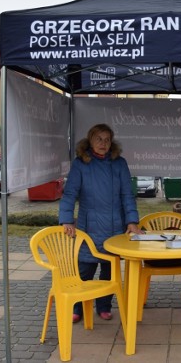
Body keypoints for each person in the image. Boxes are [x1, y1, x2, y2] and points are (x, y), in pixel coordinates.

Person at [59, 123, 142, 323]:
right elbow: (70, 193)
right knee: (84, 269)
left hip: (115, 226)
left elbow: (127, 195)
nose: (103, 143)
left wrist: (132, 221)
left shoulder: (119, 163)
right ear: (90, 141)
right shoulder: (81, 164)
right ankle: (77, 307)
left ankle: (104, 306)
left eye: (107, 139)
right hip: (88, 226)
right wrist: (66, 220)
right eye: (99, 139)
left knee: (109, 270)